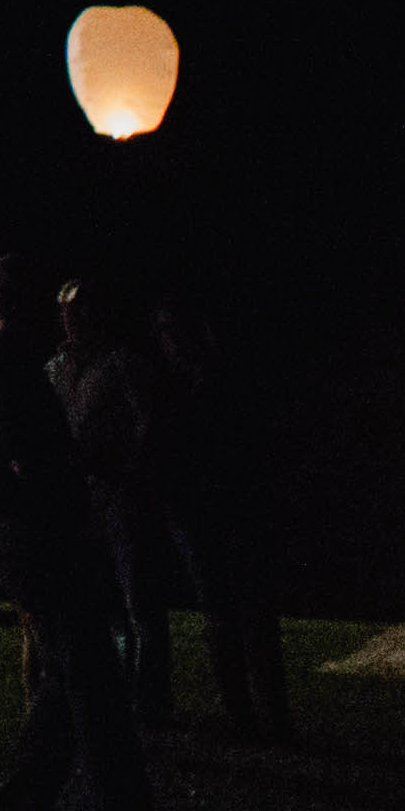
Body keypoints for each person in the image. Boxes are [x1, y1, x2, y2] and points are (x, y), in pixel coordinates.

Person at [0, 258, 145, 811]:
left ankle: (24, 797)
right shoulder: (15, 367)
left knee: (66, 682)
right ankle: (118, 797)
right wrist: (81, 473)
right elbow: (29, 462)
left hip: (26, 540)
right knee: (92, 680)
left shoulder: (2, 365)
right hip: (44, 540)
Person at [150, 296, 293, 745]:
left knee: (242, 617)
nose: (168, 342)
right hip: (206, 514)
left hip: (224, 510)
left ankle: (261, 716)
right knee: (228, 617)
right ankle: (249, 716)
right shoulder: (182, 386)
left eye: (172, 332)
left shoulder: (207, 384)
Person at [51, 281, 175, 722]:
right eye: (68, 310)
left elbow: (150, 422)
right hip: (80, 501)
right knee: (103, 605)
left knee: (140, 600)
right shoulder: (57, 369)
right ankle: (118, 695)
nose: (76, 319)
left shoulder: (122, 363)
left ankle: (151, 700)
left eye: (84, 310)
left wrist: (127, 467)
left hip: (123, 496)